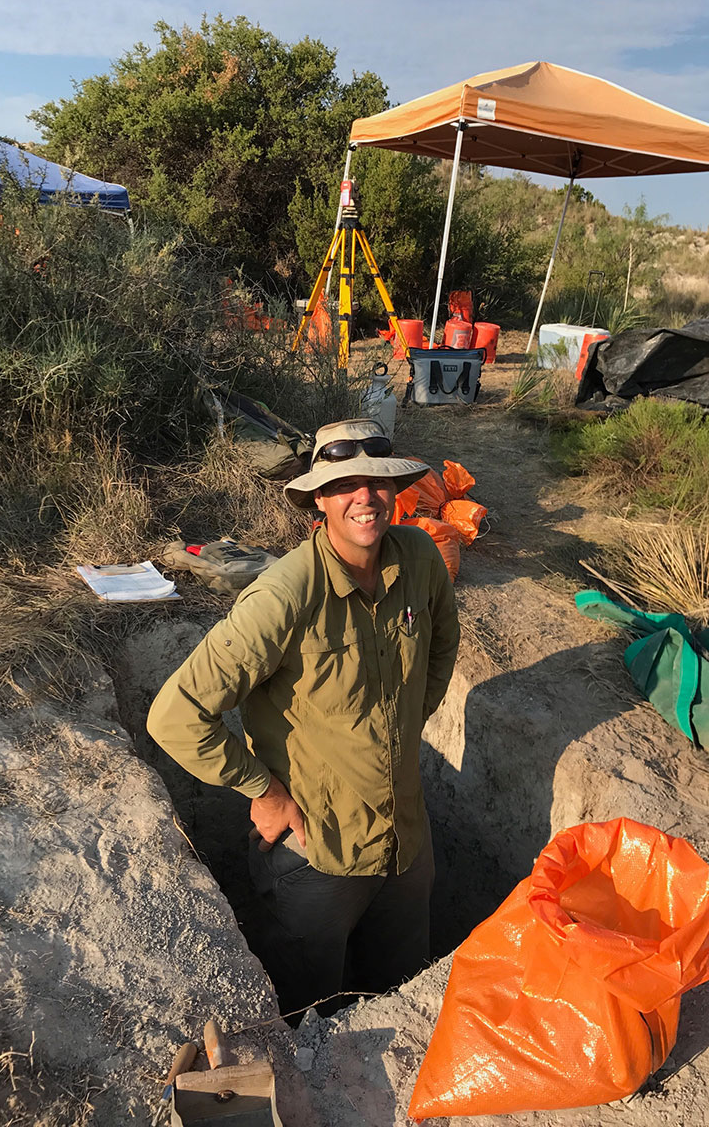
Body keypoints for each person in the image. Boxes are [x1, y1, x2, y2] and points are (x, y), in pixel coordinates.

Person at [147, 418, 460, 1015]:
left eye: (376, 482)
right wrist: (261, 791)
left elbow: (442, 641)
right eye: (345, 485)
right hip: (318, 855)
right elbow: (175, 714)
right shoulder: (284, 595)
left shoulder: (418, 557)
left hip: (406, 843)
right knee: (308, 1017)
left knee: (402, 1000)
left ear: (395, 490)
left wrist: (404, 727)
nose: (364, 497)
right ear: (320, 499)